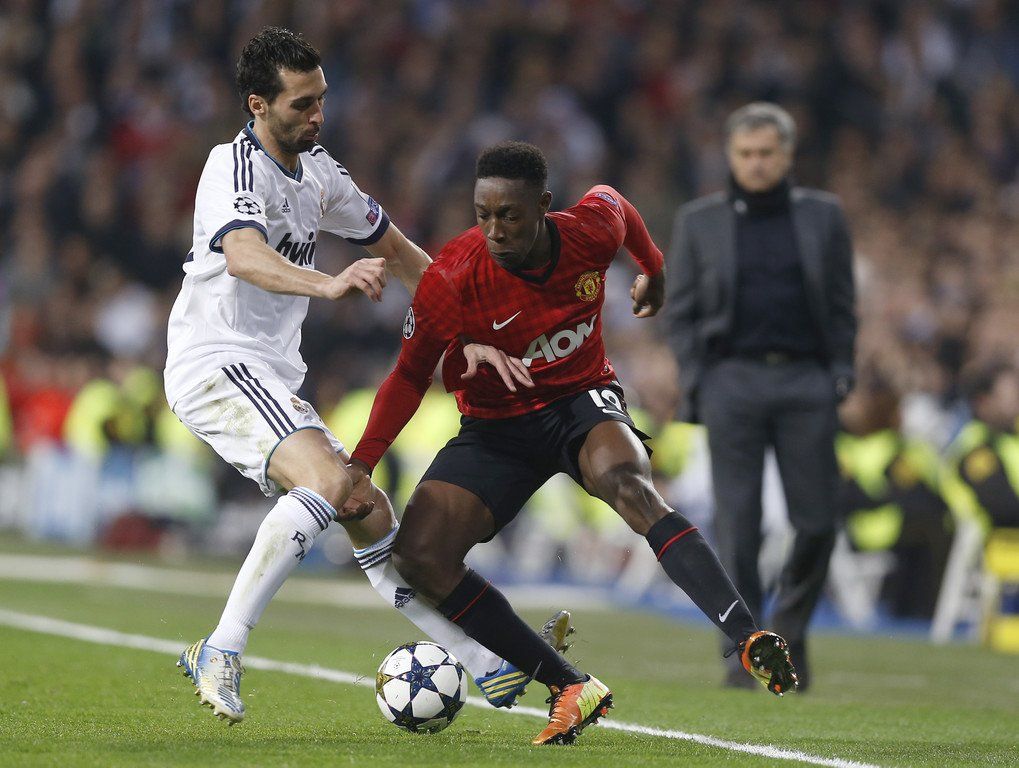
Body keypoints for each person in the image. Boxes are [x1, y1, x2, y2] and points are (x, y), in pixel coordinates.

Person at [165, 27, 569, 724]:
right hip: (216, 359)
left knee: (363, 505)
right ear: (258, 105)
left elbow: (404, 254)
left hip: (267, 372)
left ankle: (482, 662)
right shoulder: (232, 167)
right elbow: (243, 255)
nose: (317, 115)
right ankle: (222, 649)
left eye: (321, 99)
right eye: (301, 104)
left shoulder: (320, 174)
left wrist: (471, 331)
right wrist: (327, 284)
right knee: (328, 483)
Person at [346, 141, 797, 747]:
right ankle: (569, 686)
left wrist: (654, 269)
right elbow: (407, 378)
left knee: (628, 485)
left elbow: (617, 205)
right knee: (420, 556)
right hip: (496, 426)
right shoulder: (451, 278)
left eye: (510, 215)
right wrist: (362, 465)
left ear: (544, 206)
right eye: (483, 214)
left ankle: (745, 634)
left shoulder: (588, 233)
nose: (495, 230)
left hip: (580, 400)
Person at [664, 102, 857, 691]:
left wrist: (840, 371)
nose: (756, 163)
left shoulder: (825, 215)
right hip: (732, 381)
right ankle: (746, 649)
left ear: (787, 155)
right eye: (745, 153)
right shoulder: (699, 221)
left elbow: (843, 303)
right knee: (739, 529)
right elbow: (681, 311)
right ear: (730, 155)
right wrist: (699, 380)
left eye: (766, 153)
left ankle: (788, 635)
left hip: (806, 381)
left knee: (818, 523)